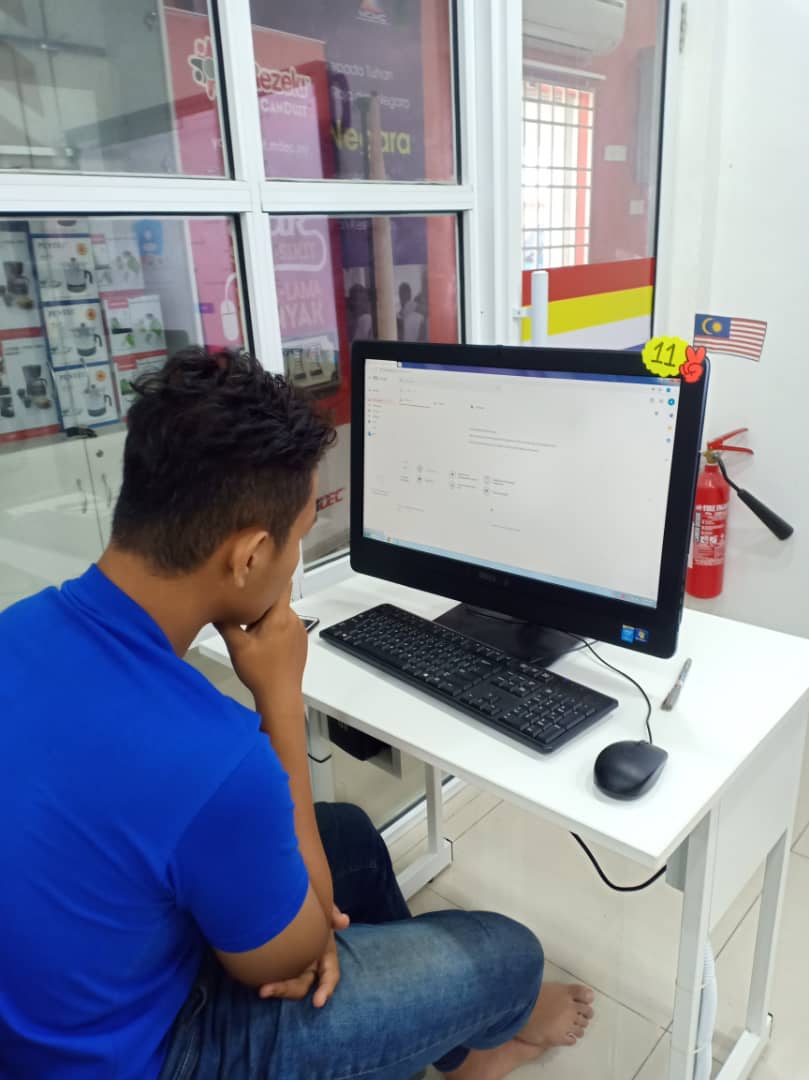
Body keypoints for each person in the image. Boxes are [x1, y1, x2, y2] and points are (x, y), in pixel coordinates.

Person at [0, 348, 594, 1080]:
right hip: (144, 1057)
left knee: (349, 838)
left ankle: (459, 1054)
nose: (296, 557)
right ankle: (484, 1032)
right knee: (509, 955)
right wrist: (280, 696)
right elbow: (294, 957)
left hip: (51, 1014)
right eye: (301, 533)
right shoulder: (211, 757)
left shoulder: (18, 626)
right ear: (250, 555)